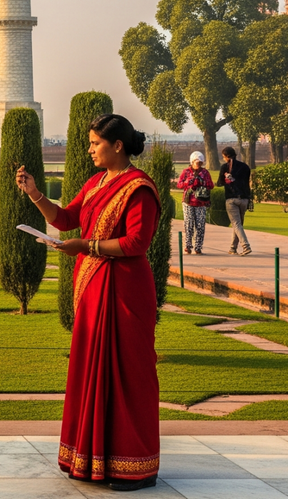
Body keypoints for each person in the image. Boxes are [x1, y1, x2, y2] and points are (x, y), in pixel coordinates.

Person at [15, 113, 160, 491]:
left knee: (127, 373)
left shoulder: (139, 188)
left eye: (96, 144)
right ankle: (94, 460)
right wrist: (34, 193)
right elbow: (64, 220)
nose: (90, 149)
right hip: (94, 287)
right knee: (92, 369)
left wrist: (86, 246)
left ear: (118, 146)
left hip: (126, 288)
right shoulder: (97, 183)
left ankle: (133, 466)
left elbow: (135, 244)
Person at [177, 151, 214, 255]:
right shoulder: (186, 172)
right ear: (192, 162)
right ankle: (188, 246)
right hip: (188, 202)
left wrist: (201, 182)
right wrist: (188, 182)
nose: (198, 165)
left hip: (201, 202)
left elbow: (211, 185)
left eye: (200, 163)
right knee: (188, 224)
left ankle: (198, 247)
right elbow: (179, 184)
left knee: (200, 225)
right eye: (196, 162)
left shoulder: (205, 173)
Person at [220, 146, 253, 256]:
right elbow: (246, 182)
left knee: (236, 224)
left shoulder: (225, 167)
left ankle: (246, 246)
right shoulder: (245, 167)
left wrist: (226, 178)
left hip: (231, 199)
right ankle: (233, 248)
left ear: (226, 156)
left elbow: (219, 183)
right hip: (244, 199)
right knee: (238, 225)